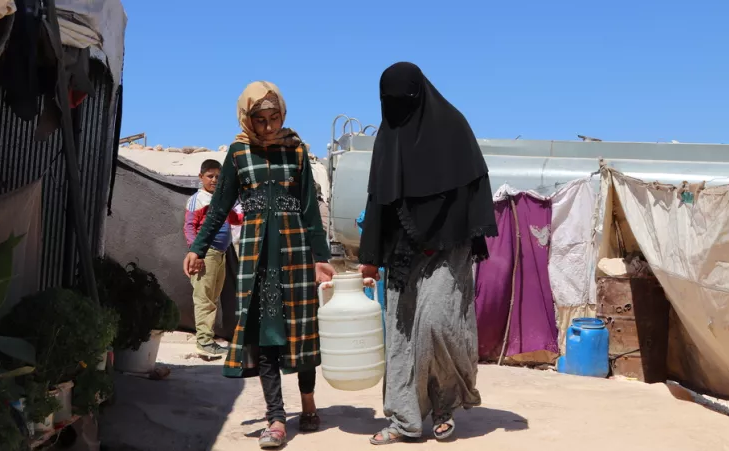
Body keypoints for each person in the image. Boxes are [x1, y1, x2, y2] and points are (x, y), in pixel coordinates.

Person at [183, 81, 336, 449]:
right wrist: (199, 248)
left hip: (296, 253)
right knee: (265, 333)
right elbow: (220, 206)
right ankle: (276, 417)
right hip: (256, 256)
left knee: (301, 329)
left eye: (274, 118)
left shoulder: (296, 151)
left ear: (283, 114)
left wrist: (321, 258)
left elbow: (310, 210)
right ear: (247, 118)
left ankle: (309, 402)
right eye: (260, 119)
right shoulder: (238, 153)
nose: (268, 127)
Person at [358, 62, 498, 445]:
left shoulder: (453, 126)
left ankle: (444, 405)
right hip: (403, 252)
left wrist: (463, 232)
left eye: (403, 100)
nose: (397, 107)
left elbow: (474, 184)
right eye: (389, 101)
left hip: (448, 247)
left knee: (437, 324)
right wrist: (370, 257)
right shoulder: (388, 136)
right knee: (402, 338)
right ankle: (403, 420)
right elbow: (378, 200)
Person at [183, 158, 241, 358]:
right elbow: (189, 227)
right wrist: (197, 253)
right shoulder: (197, 199)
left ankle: (207, 339)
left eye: (218, 176)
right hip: (206, 255)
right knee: (204, 298)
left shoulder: (220, 200)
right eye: (210, 176)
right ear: (201, 177)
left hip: (220, 255)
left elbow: (234, 218)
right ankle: (204, 341)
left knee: (212, 298)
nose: (214, 180)